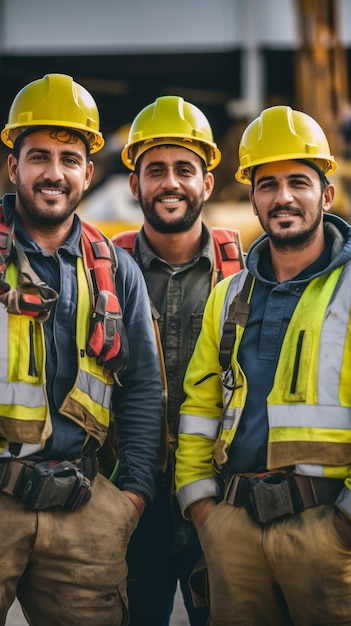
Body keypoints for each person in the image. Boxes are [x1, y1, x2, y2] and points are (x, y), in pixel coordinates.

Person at [175, 104, 351, 625]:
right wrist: (203, 508)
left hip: (328, 535)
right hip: (234, 531)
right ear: (251, 197)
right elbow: (201, 405)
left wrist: (344, 526)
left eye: (299, 181)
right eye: (267, 183)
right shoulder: (228, 295)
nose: (283, 197)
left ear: (326, 194)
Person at [0, 73, 162, 626]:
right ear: (13, 166)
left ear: (88, 173)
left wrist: (131, 496)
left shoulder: (118, 271)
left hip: (83, 511)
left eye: (69, 158)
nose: (54, 172)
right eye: (38, 156)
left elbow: (142, 388)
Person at [112, 95, 245, 626]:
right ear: (135, 185)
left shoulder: (244, 276)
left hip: (218, 494)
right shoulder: (105, 272)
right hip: (126, 492)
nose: (170, 183)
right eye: (156, 170)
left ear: (207, 183)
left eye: (185, 169)